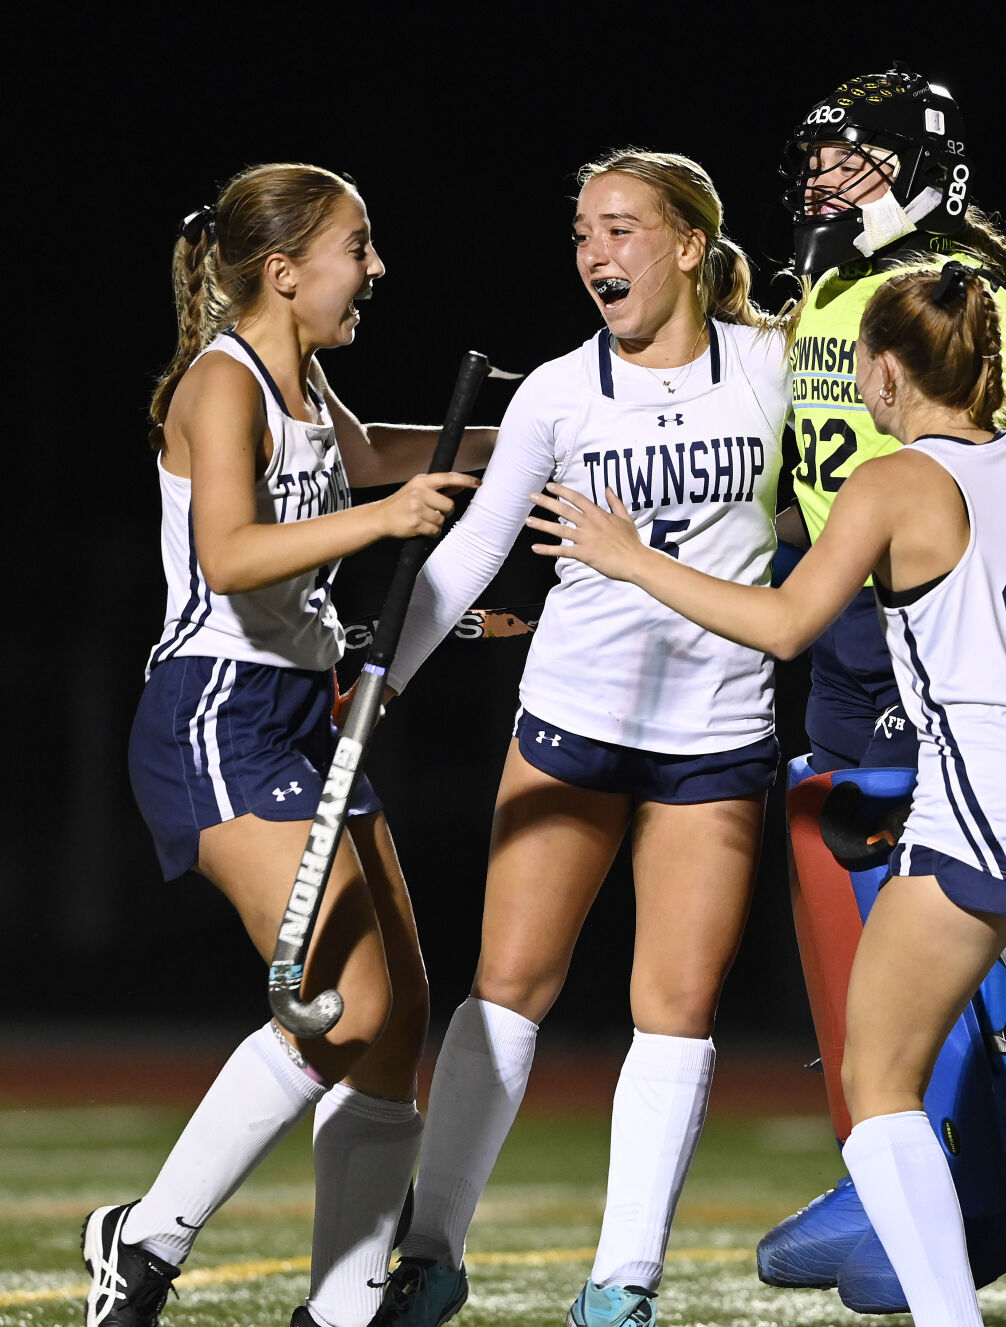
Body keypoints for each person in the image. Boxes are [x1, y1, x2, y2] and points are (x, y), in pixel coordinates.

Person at [528, 260, 1006, 1327]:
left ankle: (948, 1319)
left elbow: (786, 625)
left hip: (990, 805)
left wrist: (631, 559)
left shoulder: (891, 482)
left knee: (878, 1078)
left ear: (884, 372)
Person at [763, 66, 1006, 1310]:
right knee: (864, 906)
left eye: (852, 157)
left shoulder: (944, 306)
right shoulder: (828, 288)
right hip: (854, 622)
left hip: (917, 633)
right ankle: (937, 1168)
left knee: (928, 921)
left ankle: (962, 1180)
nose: (824, 179)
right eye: (819, 157)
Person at [370, 150, 790, 1327]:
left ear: (692, 244)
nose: (597, 254)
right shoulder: (558, 388)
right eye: (582, 233)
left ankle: (622, 1285)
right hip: (573, 719)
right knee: (507, 985)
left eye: (622, 229)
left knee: (676, 1005)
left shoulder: (773, 367)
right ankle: (432, 1253)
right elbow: (464, 558)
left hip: (716, 731)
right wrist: (380, 684)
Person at [87, 162, 495, 1327]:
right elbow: (229, 552)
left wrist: (527, 443)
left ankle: (340, 1306)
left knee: (397, 1015)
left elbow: (372, 459)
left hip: (302, 714)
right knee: (336, 1007)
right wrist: (386, 521)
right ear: (283, 269)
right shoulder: (223, 385)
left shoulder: (302, 376)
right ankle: (147, 1237)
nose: (374, 268)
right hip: (216, 713)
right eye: (355, 248)